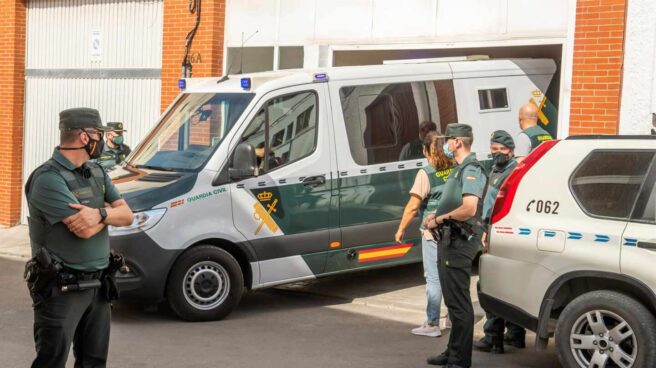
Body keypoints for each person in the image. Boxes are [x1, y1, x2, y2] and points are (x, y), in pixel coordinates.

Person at [24, 107, 134, 368]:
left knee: (94, 361)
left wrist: (97, 214)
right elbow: (83, 230)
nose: (103, 141)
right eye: (99, 134)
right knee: (51, 361)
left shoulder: (96, 172)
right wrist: (108, 216)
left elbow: (128, 214)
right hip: (61, 289)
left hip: (98, 286)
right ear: (85, 137)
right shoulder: (48, 179)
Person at [425, 123, 487, 368]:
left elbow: (469, 208)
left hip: (459, 243)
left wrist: (438, 219)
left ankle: (460, 360)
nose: (446, 145)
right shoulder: (458, 168)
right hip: (449, 240)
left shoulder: (471, 169)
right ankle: (452, 352)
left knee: (459, 304)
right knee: (452, 302)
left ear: (458, 142)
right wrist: (435, 218)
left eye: (448, 140)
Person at [395, 131, 453, 337]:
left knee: (434, 278)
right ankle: (454, 318)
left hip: (432, 232)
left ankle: (432, 323)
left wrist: (401, 228)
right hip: (454, 230)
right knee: (450, 276)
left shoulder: (426, 173)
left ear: (426, 150)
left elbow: (413, 206)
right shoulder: (455, 167)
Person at [473, 130, 524, 354]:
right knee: (508, 285)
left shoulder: (513, 172)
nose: (498, 154)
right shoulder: (496, 169)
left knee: (492, 285)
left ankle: (493, 337)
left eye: (502, 150)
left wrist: (487, 231)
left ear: (511, 151)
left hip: (498, 233)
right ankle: (515, 334)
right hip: (494, 231)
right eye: (494, 150)